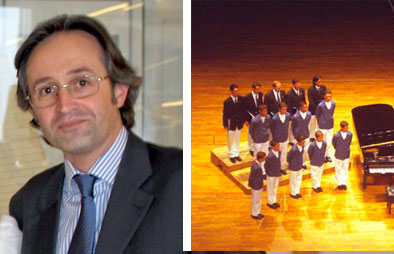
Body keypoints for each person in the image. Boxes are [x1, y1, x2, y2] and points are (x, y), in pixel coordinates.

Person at [9, 15, 186, 252]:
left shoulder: (187, 186)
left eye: (82, 83)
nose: (65, 105)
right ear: (32, 110)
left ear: (120, 91)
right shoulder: (28, 203)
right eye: (47, 90)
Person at [224, 84, 247, 163]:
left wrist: (244, 120)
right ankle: (231, 154)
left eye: (237, 91)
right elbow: (225, 114)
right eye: (235, 91)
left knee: (237, 138)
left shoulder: (241, 99)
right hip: (231, 122)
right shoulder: (227, 101)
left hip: (239, 122)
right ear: (231, 91)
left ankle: (236, 153)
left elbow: (243, 111)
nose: (236, 93)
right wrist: (225, 124)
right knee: (230, 139)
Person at [332, 121, 353, 191]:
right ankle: (339, 183)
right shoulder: (336, 135)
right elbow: (334, 144)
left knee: (345, 168)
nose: (347, 129)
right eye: (346, 128)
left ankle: (343, 182)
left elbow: (349, 143)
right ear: (342, 128)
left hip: (346, 154)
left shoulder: (350, 134)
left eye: (347, 127)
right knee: (338, 169)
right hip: (338, 154)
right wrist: (339, 149)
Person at [270, 102, 291, 167]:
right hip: (277, 140)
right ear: (279, 109)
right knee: (277, 155)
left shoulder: (288, 115)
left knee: (283, 154)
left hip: (284, 138)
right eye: (283, 109)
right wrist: (275, 139)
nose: (285, 111)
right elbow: (272, 129)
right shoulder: (275, 118)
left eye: (286, 109)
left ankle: (282, 167)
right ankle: (276, 167)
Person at [264, 141, 284, 209]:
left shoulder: (279, 152)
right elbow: (266, 165)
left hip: (277, 173)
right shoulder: (270, 156)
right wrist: (268, 173)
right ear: (273, 147)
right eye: (277, 146)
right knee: (270, 188)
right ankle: (270, 202)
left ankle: (274, 201)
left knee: (275, 188)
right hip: (271, 174)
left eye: (279, 145)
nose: (279, 147)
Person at [249, 151, 267, 220]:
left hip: (259, 185)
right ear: (260, 158)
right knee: (255, 200)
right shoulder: (255, 167)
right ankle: (254, 213)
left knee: (259, 200)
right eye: (264, 158)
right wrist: (251, 184)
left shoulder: (258, 164)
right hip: (256, 186)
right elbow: (251, 176)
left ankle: (258, 212)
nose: (265, 159)